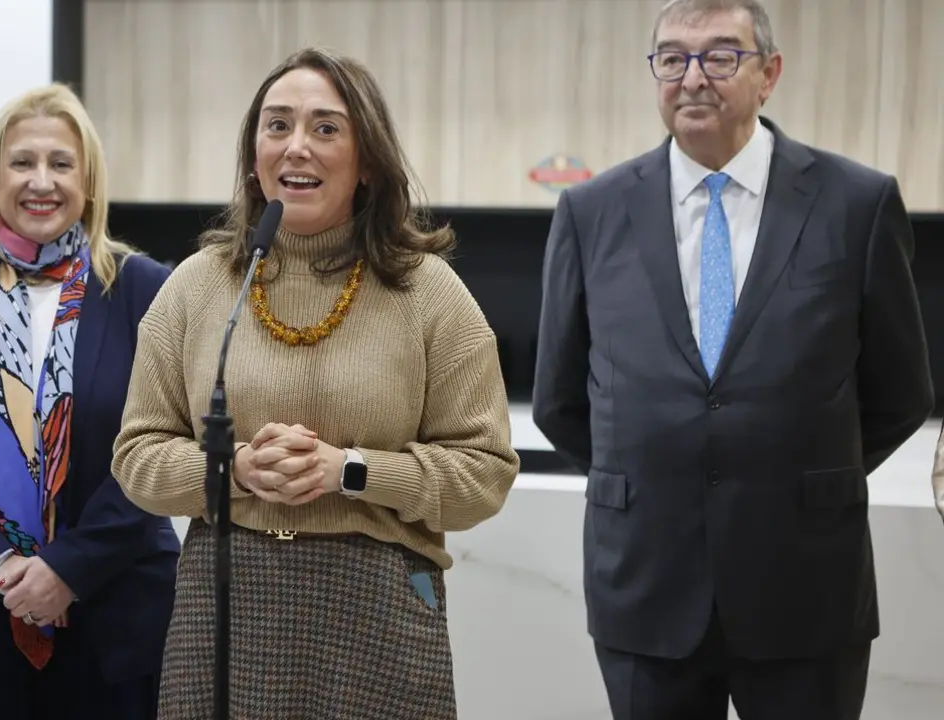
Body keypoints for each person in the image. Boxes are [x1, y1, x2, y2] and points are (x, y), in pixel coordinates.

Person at [532, 1, 934, 718]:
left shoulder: (856, 204)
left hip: (806, 585)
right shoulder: (591, 212)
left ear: (768, 74)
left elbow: (901, 393)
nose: (693, 78)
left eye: (720, 56)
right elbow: (562, 399)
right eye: (672, 58)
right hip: (646, 584)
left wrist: (792, 471)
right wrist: (671, 472)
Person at [111, 46, 520, 719]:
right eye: (277, 126)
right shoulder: (197, 286)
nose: (296, 146)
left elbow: (484, 474)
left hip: (379, 612)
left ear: (367, 163)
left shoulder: (429, 294)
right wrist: (234, 469)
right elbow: (136, 457)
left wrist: (351, 472)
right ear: (252, 156)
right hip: (226, 608)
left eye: (326, 129)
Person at [0, 84, 179, 720]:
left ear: (89, 183)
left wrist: (66, 569)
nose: (40, 181)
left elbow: (161, 447)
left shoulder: (145, 290)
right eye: (21, 162)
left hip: (114, 609)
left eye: (60, 163)